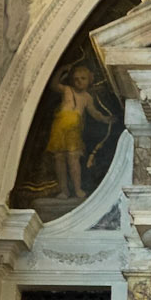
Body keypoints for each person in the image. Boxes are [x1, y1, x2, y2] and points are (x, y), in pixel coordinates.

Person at [45, 63, 103, 201]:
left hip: (74, 130)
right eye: (76, 78)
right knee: (59, 158)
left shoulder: (87, 97)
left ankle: (77, 188)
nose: (79, 81)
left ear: (89, 80)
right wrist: (62, 70)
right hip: (60, 128)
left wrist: (105, 119)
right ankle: (64, 190)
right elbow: (53, 85)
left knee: (73, 158)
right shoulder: (67, 90)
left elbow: (94, 112)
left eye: (83, 78)